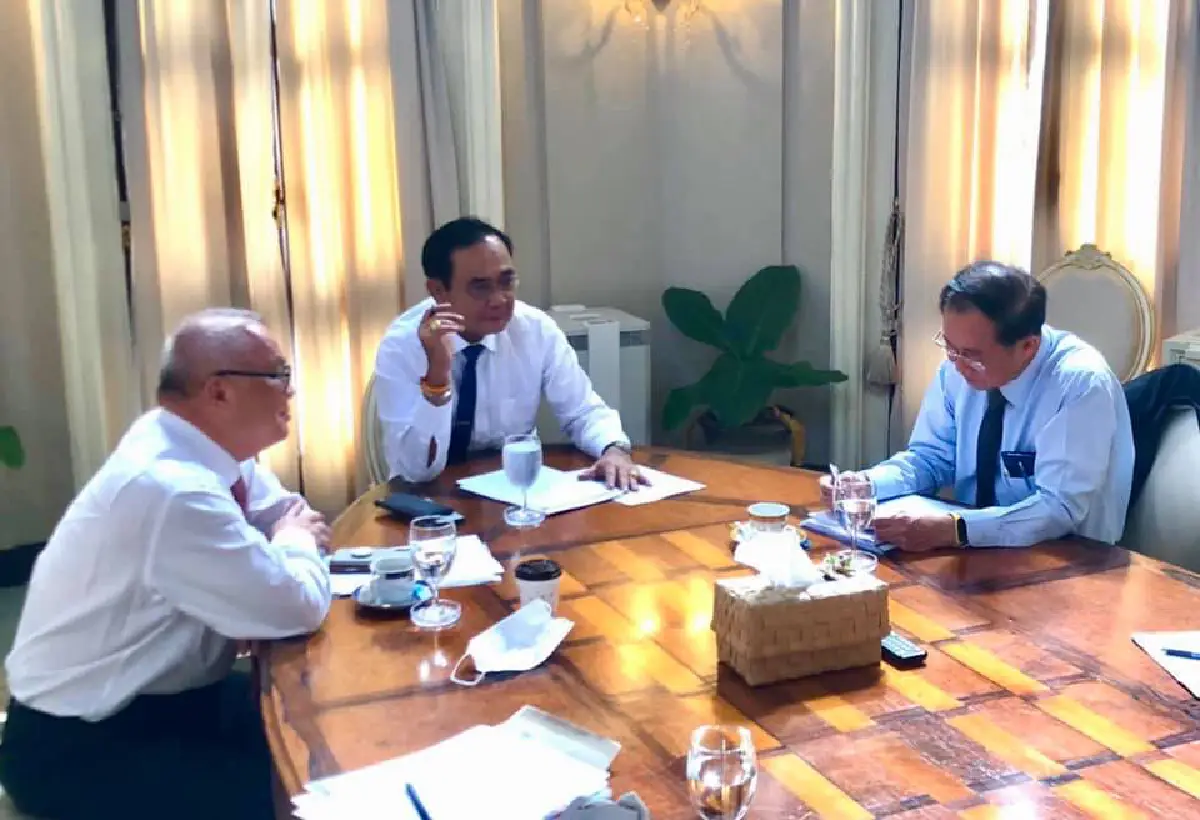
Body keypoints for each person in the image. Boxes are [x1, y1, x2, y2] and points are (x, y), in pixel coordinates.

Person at [0, 308, 332, 819]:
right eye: (278, 375)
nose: (290, 390)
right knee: (305, 797)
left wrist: (270, 564)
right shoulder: (170, 487)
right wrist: (289, 544)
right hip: (83, 743)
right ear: (219, 392)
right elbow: (297, 603)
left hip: (169, 699)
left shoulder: (200, 445)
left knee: (327, 724)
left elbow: (284, 512)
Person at [823, 261, 1134, 551]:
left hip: (1067, 558)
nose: (957, 364)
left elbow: (1058, 509)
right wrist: (867, 484)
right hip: (974, 549)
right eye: (949, 346)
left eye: (972, 355)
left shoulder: (1080, 383)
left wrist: (955, 529)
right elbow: (931, 458)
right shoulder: (957, 368)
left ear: (1028, 346)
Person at [374, 216, 647, 489]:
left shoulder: (534, 329)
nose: (499, 300)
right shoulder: (402, 345)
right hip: (428, 497)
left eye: (506, 282)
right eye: (480, 287)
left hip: (513, 488)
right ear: (438, 291)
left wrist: (614, 449)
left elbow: (583, 411)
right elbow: (416, 471)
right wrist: (437, 375)